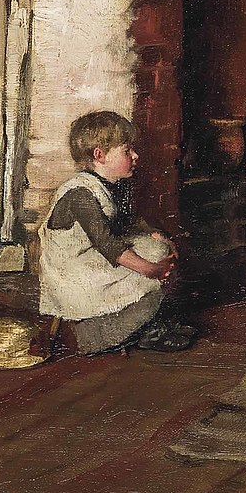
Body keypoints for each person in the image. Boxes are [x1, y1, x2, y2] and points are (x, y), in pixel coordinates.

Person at [37, 111, 197, 354]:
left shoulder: (107, 185)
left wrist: (156, 235)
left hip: (91, 259)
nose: (135, 156)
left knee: (156, 248)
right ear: (99, 155)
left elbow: (124, 225)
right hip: (73, 274)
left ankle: (148, 323)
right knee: (153, 260)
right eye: (127, 151)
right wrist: (151, 269)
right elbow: (108, 244)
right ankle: (118, 333)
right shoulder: (80, 194)